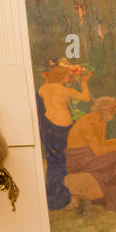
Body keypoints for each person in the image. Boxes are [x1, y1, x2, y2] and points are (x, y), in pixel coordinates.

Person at [36, 59, 91, 210]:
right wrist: (84, 82)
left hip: (51, 128)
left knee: (55, 161)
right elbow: (86, 98)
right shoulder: (66, 91)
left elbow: (45, 87)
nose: (69, 77)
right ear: (60, 75)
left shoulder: (43, 89)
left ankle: (56, 197)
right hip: (63, 128)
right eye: (67, 75)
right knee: (64, 161)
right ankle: (62, 198)